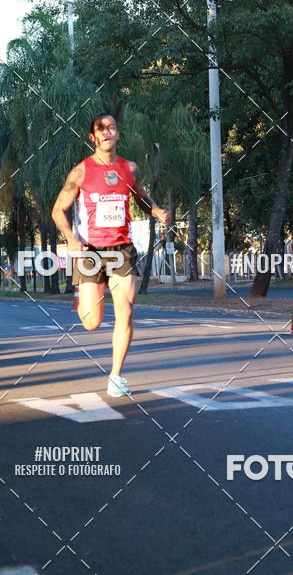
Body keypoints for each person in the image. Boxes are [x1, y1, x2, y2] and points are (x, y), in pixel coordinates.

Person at [51, 113, 170, 397]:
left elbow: (141, 197)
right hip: (91, 252)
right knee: (91, 322)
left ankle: (115, 376)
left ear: (118, 134)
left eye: (111, 128)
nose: (106, 133)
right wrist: (70, 237)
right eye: (100, 129)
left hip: (121, 249)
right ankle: (84, 294)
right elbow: (58, 210)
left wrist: (156, 210)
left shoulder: (130, 168)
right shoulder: (81, 171)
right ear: (93, 137)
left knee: (125, 312)